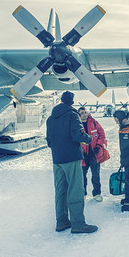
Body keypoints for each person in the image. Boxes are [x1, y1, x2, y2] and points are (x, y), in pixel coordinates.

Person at [46, 91, 98, 233]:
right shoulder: (72, 115)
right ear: (72, 103)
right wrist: (88, 138)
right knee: (75, 190)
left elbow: (49, 141)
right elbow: (77, 135)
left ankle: (61, 221)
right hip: (71, 158)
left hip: (57, 159)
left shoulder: (50, 118)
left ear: (61, 101)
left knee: (60, 190)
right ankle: (78, 224)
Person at [78, 106, 106, 202]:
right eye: (81, 113)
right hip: (83, 156)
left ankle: (97, 193)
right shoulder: (77, 125)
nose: (84, 114)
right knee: (82, 176)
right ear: (78, 115)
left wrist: (98, 146)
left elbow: (102, 134)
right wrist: (80, 151)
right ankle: (83, 193)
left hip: (94, 154)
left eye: (85, 112)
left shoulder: (94, 122)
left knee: (95, 175)